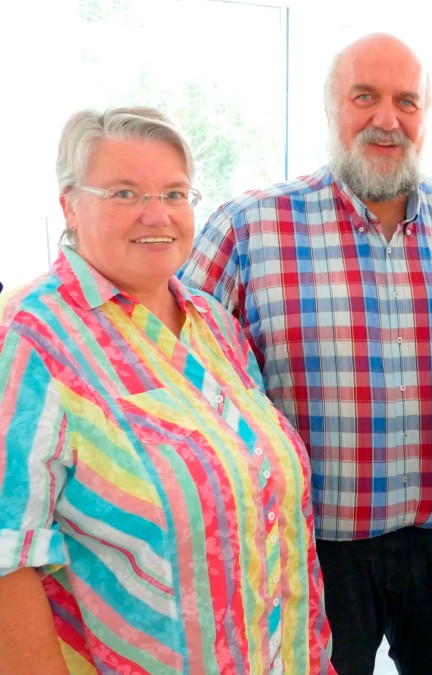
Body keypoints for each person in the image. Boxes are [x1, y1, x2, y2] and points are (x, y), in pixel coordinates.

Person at [179, 33, 432, 674]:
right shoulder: (250, 226)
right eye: (365, 97)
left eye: (406, 101)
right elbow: (178, 374)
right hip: (309, 546)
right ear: (332, 107)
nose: (387, 120)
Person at [0, 107, 332, 673]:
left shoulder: (213, 324)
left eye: (175, 193)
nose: (157, 214)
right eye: (125, 193)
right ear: (69, 206)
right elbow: (9, 557)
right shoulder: (33, 338)